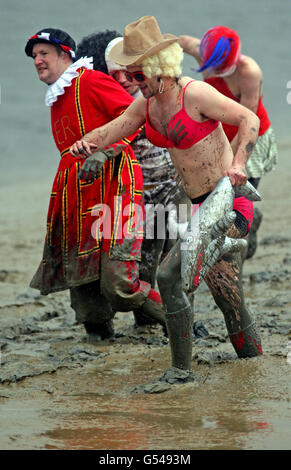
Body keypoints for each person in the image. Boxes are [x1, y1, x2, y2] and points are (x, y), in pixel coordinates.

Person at [70, 16, 263, 385]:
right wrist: (87, 144)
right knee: (229, 299)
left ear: (159, 68)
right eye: (127, 75)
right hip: (198, 206)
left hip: (226, 202)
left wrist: (239, 164)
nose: (132, 82)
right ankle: (253, 367)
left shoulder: (195, 94)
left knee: (169, 275)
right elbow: (116, 129)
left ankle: (180, 371)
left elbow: (248, 119)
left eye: (138, 75)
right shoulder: (148, 105)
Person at [24, 27, 168, 343]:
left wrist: (107, 150)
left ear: (65, 55)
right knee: (83, 280)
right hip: (76, 192)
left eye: (44, 53)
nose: (37, 60)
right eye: (34, 56)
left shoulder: (90, 81)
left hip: (115, 187)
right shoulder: (58, 96)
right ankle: (100, 342)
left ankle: (179, 323)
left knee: (119, 282)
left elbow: (135, 117)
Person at [76, 31, 209, 337]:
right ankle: (156, 319)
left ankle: (178, 321)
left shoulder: (154, 95)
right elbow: (116, 131)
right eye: (115, 73)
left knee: (177, 262)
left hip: (172, 187)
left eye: (130, 73)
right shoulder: (115, 100)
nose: (123, 79)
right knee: (146, 266)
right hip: (139, 196)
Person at [179, 26, 278, 259]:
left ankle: (243, 233)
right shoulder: (202, 52)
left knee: (235, 190)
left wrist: (227, 163)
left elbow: (248, 122)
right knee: (215, 193)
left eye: (223, 68)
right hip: (221, 133)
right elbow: (180, 41)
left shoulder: (249, 72)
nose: (218, 72)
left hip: (250, 136)